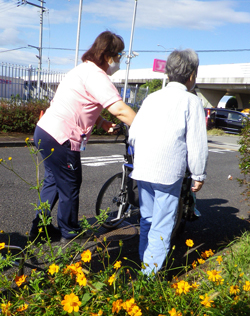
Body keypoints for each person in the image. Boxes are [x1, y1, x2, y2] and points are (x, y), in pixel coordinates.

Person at [30, 31, 136, 242]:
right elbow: (120, 110)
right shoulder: (97, 75)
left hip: (44, 131)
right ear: (108, 56)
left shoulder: (81, 70)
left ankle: (40, 229)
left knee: (53, 181)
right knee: (70, 183)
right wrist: (150, 128)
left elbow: (80, 102)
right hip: (62, 137)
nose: (119, 61)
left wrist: (101, 122)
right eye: (119, 56)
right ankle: (69, 232)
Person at [128, 49, 208, 275]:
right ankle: (149, 277)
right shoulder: (192, 102)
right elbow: (197, 144)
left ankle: (144, 263)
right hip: (168, 172)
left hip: (143, 169)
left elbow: (134, 134)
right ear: (191, 74)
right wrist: (198, 174)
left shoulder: (152, 98)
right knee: (162, 225)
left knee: (147, 219)